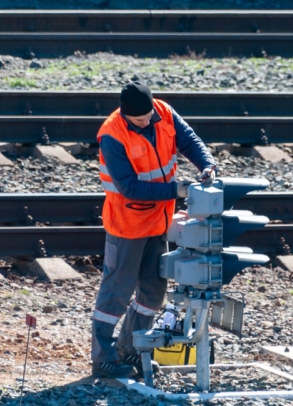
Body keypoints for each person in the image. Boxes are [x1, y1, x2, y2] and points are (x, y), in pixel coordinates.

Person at [91, 81, 216, 378]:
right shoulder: (112, 134)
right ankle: (103, 359)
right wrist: (176, 190)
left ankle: (130, 351)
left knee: (152, 293)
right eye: (140, 120)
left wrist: (207, 164)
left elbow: (189, 140)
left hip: (157, 223)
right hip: (127, 225)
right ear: (125, 115)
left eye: (149, 116)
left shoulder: (162, 112)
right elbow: (129, 187)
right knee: (115, 294)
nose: (148, 121)